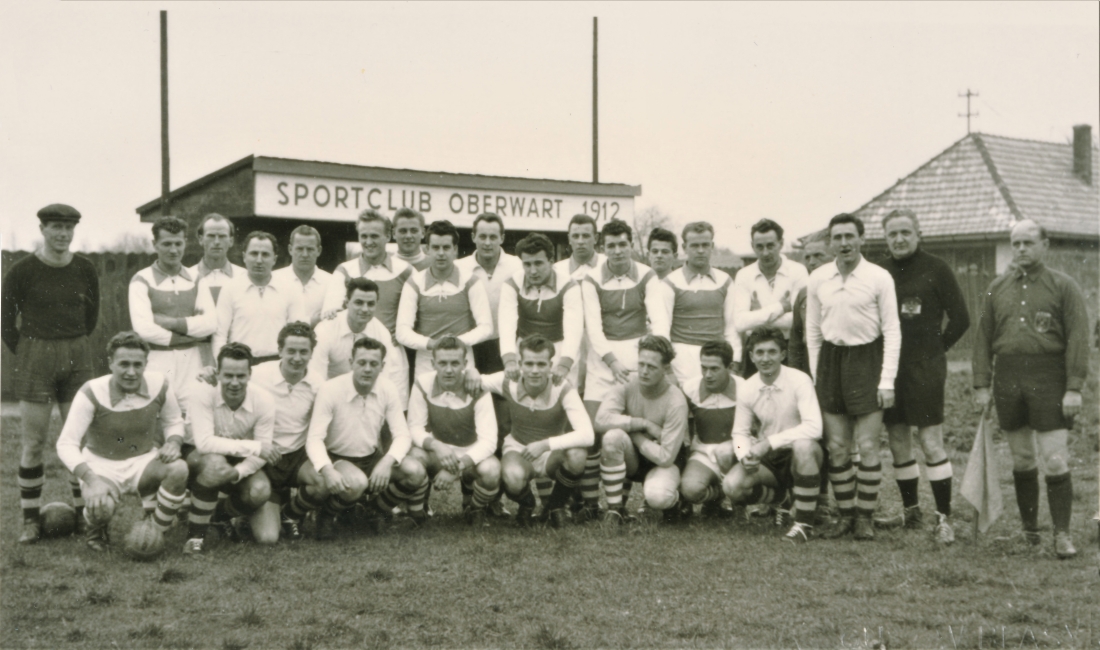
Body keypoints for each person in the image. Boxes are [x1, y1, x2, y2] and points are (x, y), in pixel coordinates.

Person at [973, 219, 1089, 559]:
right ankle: (1030, 533)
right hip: (1009, 378)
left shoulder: (1063, 286)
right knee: (1022, 458)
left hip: (1049, 377)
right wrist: (982, 384)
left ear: (1045, 246)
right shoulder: (997, 286)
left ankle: (1062, 535)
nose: (1021, 249)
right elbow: (982, 339)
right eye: (1015, 243)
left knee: (1054, 459)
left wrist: (1074, 388)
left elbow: (1079, 340)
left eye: (1028, 242)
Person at [3, 204, 99, 544]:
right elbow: (6, 322)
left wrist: (68, 343)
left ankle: (84, 515)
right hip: (35, 356)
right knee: (34, 442)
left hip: (77, 355)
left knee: (80, 441)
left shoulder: (85, 268)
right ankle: (30, 520)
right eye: (56, 227)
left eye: (68, 227)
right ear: (42, 229)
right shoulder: (22, 271)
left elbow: (91, 316)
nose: (62, 234)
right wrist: (33, 352)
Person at [876, 209, 970, 543]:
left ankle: (944, 517)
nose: (899, 239)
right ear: (885, 239)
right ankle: (910, 511)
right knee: (898, 438)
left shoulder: (937, 268)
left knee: (930, 441)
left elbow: (961, 319)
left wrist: (934, 349)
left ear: (918, 234)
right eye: (892, 234)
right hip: (890, 367)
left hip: (925, 367)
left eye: (905, 232)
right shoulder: (879, 271)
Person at [806, 213, 901, 540]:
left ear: (861, 239)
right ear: (830, 242)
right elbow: (813, 333)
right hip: (832, 362)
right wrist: (819, 377)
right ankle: (845, 515)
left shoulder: (879, 277)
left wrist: (886, 381)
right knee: (837, 446)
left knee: (867, 445)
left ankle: (865, 517)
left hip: (868, 361)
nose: (844, 243)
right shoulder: (819, 278)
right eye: (838, 237)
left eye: (850, 236)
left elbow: (892, 331)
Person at [55, 332, 189, 551]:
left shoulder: (160, 384)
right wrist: (92, 480)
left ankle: (154, 533)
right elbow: (66, 444)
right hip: (102, 466)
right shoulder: (92, 391)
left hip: (143, 462)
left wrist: (173, 442)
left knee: (179, 468)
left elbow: (174, 421)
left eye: (138, 364)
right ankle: (96, 529)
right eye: (124, 364)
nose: (131, 372)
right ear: (110, 363)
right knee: (101, 508)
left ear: (146, 363)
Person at [306, 337, 428, 540]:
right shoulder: (331, 389)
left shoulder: (387, 388)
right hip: (339, 457)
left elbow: (402, 434)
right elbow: (314, 438)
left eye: (374, 364)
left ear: (382, 366)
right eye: (361, 362)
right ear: (350, 362)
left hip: (371, 457)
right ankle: (326, 515)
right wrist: (327, 469)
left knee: (415, 472)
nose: (367, 369)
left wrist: (388, 461)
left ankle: (374, 511)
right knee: (357, 483)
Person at [477, 335, 594, 527]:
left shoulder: (562, 387)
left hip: (552, 452)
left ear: (551, 365)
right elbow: (475, 379)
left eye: (541, 364)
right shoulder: (508, 381)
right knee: (512, 476)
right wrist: (472, 373)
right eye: (529, 364)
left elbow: (587, 435)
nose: (534, 371)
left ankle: (555, 507)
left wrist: (546, 444)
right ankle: (528, 505)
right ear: (520, 363)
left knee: (577, 454)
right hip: (520, 448)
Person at [725, 326, 825, 543]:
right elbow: (739, 432)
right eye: (759, 353)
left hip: (803, 456)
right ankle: (782, 499)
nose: (765, 358)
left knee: (803, 446)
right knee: (732, 486)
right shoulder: (748, 387)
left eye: (772, 352)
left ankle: (804, 525)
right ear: (751, 356)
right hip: (771, 458)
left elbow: (814, 427)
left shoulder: (799, 380)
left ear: (783, 354)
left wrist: (768, 442)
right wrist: (744, 456)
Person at [182, 343, 279, 554]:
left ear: (250, 374)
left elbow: (263, 454)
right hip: (196, 456)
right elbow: (204, 443)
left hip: (234, 458)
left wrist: (238, 473)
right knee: (215, 463)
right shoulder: (202, 392)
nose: (234, 383)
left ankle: (217, 516)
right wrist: (253, 447)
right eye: (228, 375)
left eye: (241, 376)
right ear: (217, 374)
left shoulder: (263, 400)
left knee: (260, 492)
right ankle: (195, 536)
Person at [596, 335, 690, 524]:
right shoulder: (627, 382)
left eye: (652, 367)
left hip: (666, 460)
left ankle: (677, 501)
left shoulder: (676, 400)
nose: (644, 371)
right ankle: (616, 510)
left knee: (658, 497)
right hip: (638, 457)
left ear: (665, 369)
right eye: (641, 364)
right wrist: (643, 424)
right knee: (612, 437)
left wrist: (635, 435)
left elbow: (666, 457)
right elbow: (600, 420)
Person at [407, 337, 501, 525]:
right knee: (414, 457)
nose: (449, 370)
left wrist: (457, 468)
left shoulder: (477, 387)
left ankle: (474, 508)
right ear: (433, 364)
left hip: (470, 453)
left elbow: (489, 441)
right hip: (439, 452)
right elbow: (414, 427)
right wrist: (436, 445)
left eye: (455, 363)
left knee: (492, 470)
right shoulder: (423, 382)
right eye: (442, 363)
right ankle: (418, 510)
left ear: (465, 364)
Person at [250, 322, 330, 543]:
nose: (297, 358)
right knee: (267, 538)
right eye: (291, 351)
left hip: (296, 458)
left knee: (324, 481)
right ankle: (248, 512)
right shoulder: (256, 374)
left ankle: (290, 514)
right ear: (279, 351)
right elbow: (226, 378)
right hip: (264, 459)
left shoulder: (318, 385)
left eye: (303, 352)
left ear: (312, 353)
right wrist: (207, 373)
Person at [128, 216, 217, 411]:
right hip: (156, 359)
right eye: (167, 244)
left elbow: (210, 323)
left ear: (185, 242)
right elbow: (144, 329)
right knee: (159, 414)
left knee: (192, 415)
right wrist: (187, 335)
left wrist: (171, 323)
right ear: (155, 244)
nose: (174, 250)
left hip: (192, 361)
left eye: (178, 243)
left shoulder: (196, 278)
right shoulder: (141, 280)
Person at [396, 219, 493, 379]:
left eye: (446, 247)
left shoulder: (471, 281)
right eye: (435, 247)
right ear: (427, 249)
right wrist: (433, 344)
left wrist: (455, 344)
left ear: (455, 249)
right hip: (427, 362)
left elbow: (486, 327)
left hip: (463, 360)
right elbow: (402, 331)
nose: (441, 253)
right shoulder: (414, 283)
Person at [650, 221, 739, 385]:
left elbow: (731, 328)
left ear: (712, 246)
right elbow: (661, 330)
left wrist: (735, 363)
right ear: (684, 247)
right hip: (682, 363)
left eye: (705, 245)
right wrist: (668, 369)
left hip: (717, 360)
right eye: (694, 245)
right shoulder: (670, 282)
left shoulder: (725, 281)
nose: (700, 250)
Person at [499, 233, 584, 391]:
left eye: (538, 263)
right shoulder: (512, 283)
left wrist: (564, 365)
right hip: (525, 350)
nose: (532, 271)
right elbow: (506, 324)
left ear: (551, 262)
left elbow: (574, 329)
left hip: (559, 348)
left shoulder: (569, 285)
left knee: (561, 399)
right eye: (527, 264)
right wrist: (510, 360)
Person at [311, 278, 408, 408]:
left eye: (370, 304)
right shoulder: (325, 329)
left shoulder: (381, 333)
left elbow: (383, 379)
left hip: (365, 397)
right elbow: (317, 378)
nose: (365, 309)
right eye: (359, 302)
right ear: (346, 303)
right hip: (330, 397)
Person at [214, 231, 307, 364]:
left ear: (274, 259)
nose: (259, 260)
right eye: (254, 253)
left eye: (265, 254)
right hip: (239, 363)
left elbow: (299, 331)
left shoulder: (290, 289)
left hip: (278, 363)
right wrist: (222, 365)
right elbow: (219, 334)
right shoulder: (230, 288)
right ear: (244, 256)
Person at [733, 219, 809, 377]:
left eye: (770, 245)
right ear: (752, 245)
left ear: (781, 243)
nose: (765, 252)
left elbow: (797, 321)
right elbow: (740, 322)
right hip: (756, 349)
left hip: (789, 349)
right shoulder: (744, 275)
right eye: (759, 247)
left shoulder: (798, 271)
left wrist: (758, 315)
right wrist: (779, 308)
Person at [679, 340, 743, 518]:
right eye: (704, 368)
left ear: (730, 367)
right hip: (705, 451)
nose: (707, 375)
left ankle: (740, 503)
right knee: (690, 490)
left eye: (714, 369)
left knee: (725, 451)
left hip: (737, 450)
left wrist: (736, 449)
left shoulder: (744, 388)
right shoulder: (689, 388)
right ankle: (717, 499)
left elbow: (753, 431)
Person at [322, 209, 413, 335]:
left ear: (387, 236)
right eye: (364, 236)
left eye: (374, 236)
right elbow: (330, 315)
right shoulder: (344, 271)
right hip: (353, 348)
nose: (368, 242)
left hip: (392, 349)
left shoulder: (405, 270)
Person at [456, 213, 524, 375]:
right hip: (470, 346)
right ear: (473, 237)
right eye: (482, 236)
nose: (487, 243)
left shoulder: (517, 266)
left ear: (502, 238)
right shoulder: (459, 268)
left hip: (507, 344)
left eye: (493, 237)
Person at [788, 233, 834, 374]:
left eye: (818, 255)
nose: (812, 262)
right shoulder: (804, 293)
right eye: (807, 257)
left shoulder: (848, 289)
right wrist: (795, 375)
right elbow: (796, 341)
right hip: (811, 364)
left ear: (834, 255)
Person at [272, 225, 332, 326]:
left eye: (310, 249)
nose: (305, 254)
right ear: (290, 249)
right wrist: (312, 321)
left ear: (319, 251)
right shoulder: (274, 279)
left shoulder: (331, 282)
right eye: (300, 249)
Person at [188, 213, 244, 305]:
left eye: (222, 236)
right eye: (211, 236)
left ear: (231, 241)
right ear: (201, 239)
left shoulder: (243, 276)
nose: (217, 242)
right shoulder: (188, 277)